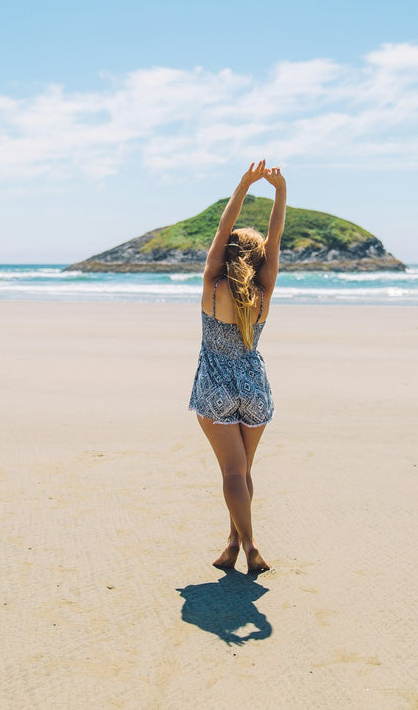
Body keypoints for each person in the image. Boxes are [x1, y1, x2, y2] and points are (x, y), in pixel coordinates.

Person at [188, 159, 286, 573]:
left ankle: (249, 546)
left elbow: (220, 232)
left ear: (227, 253)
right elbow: (276, 238)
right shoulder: (264, 290)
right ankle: (232, 542)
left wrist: (243, 186)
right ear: (260, 258)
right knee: (243, 472)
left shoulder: (213, 283)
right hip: (253, 385)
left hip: (216, 385)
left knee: (232, 472)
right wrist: (281, 192)